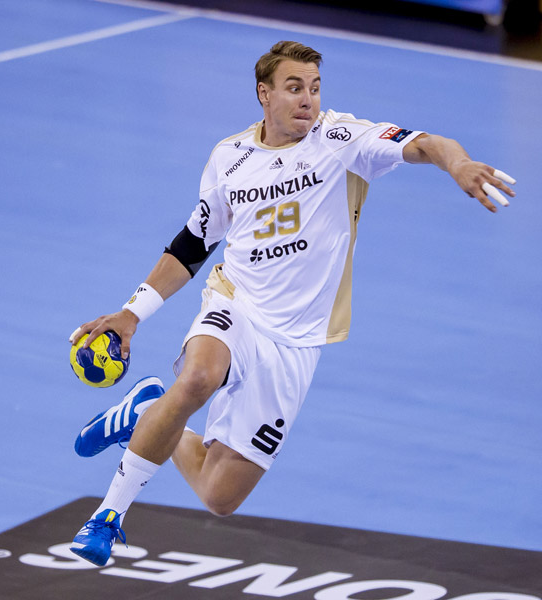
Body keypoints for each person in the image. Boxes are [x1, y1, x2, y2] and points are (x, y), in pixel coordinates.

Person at [68, 41, 515, 566]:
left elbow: (427, 143)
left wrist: (457, 163)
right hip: (236, 302)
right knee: (197, 379)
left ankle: (145, 410)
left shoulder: (342, 140)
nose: (308, 99)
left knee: (219, 494)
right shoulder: (230, 158)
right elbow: (192, 244)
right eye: (295, 87)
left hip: (297, 341)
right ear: (265, 94)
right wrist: (131, 313)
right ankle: (108, 516)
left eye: (315, 88)